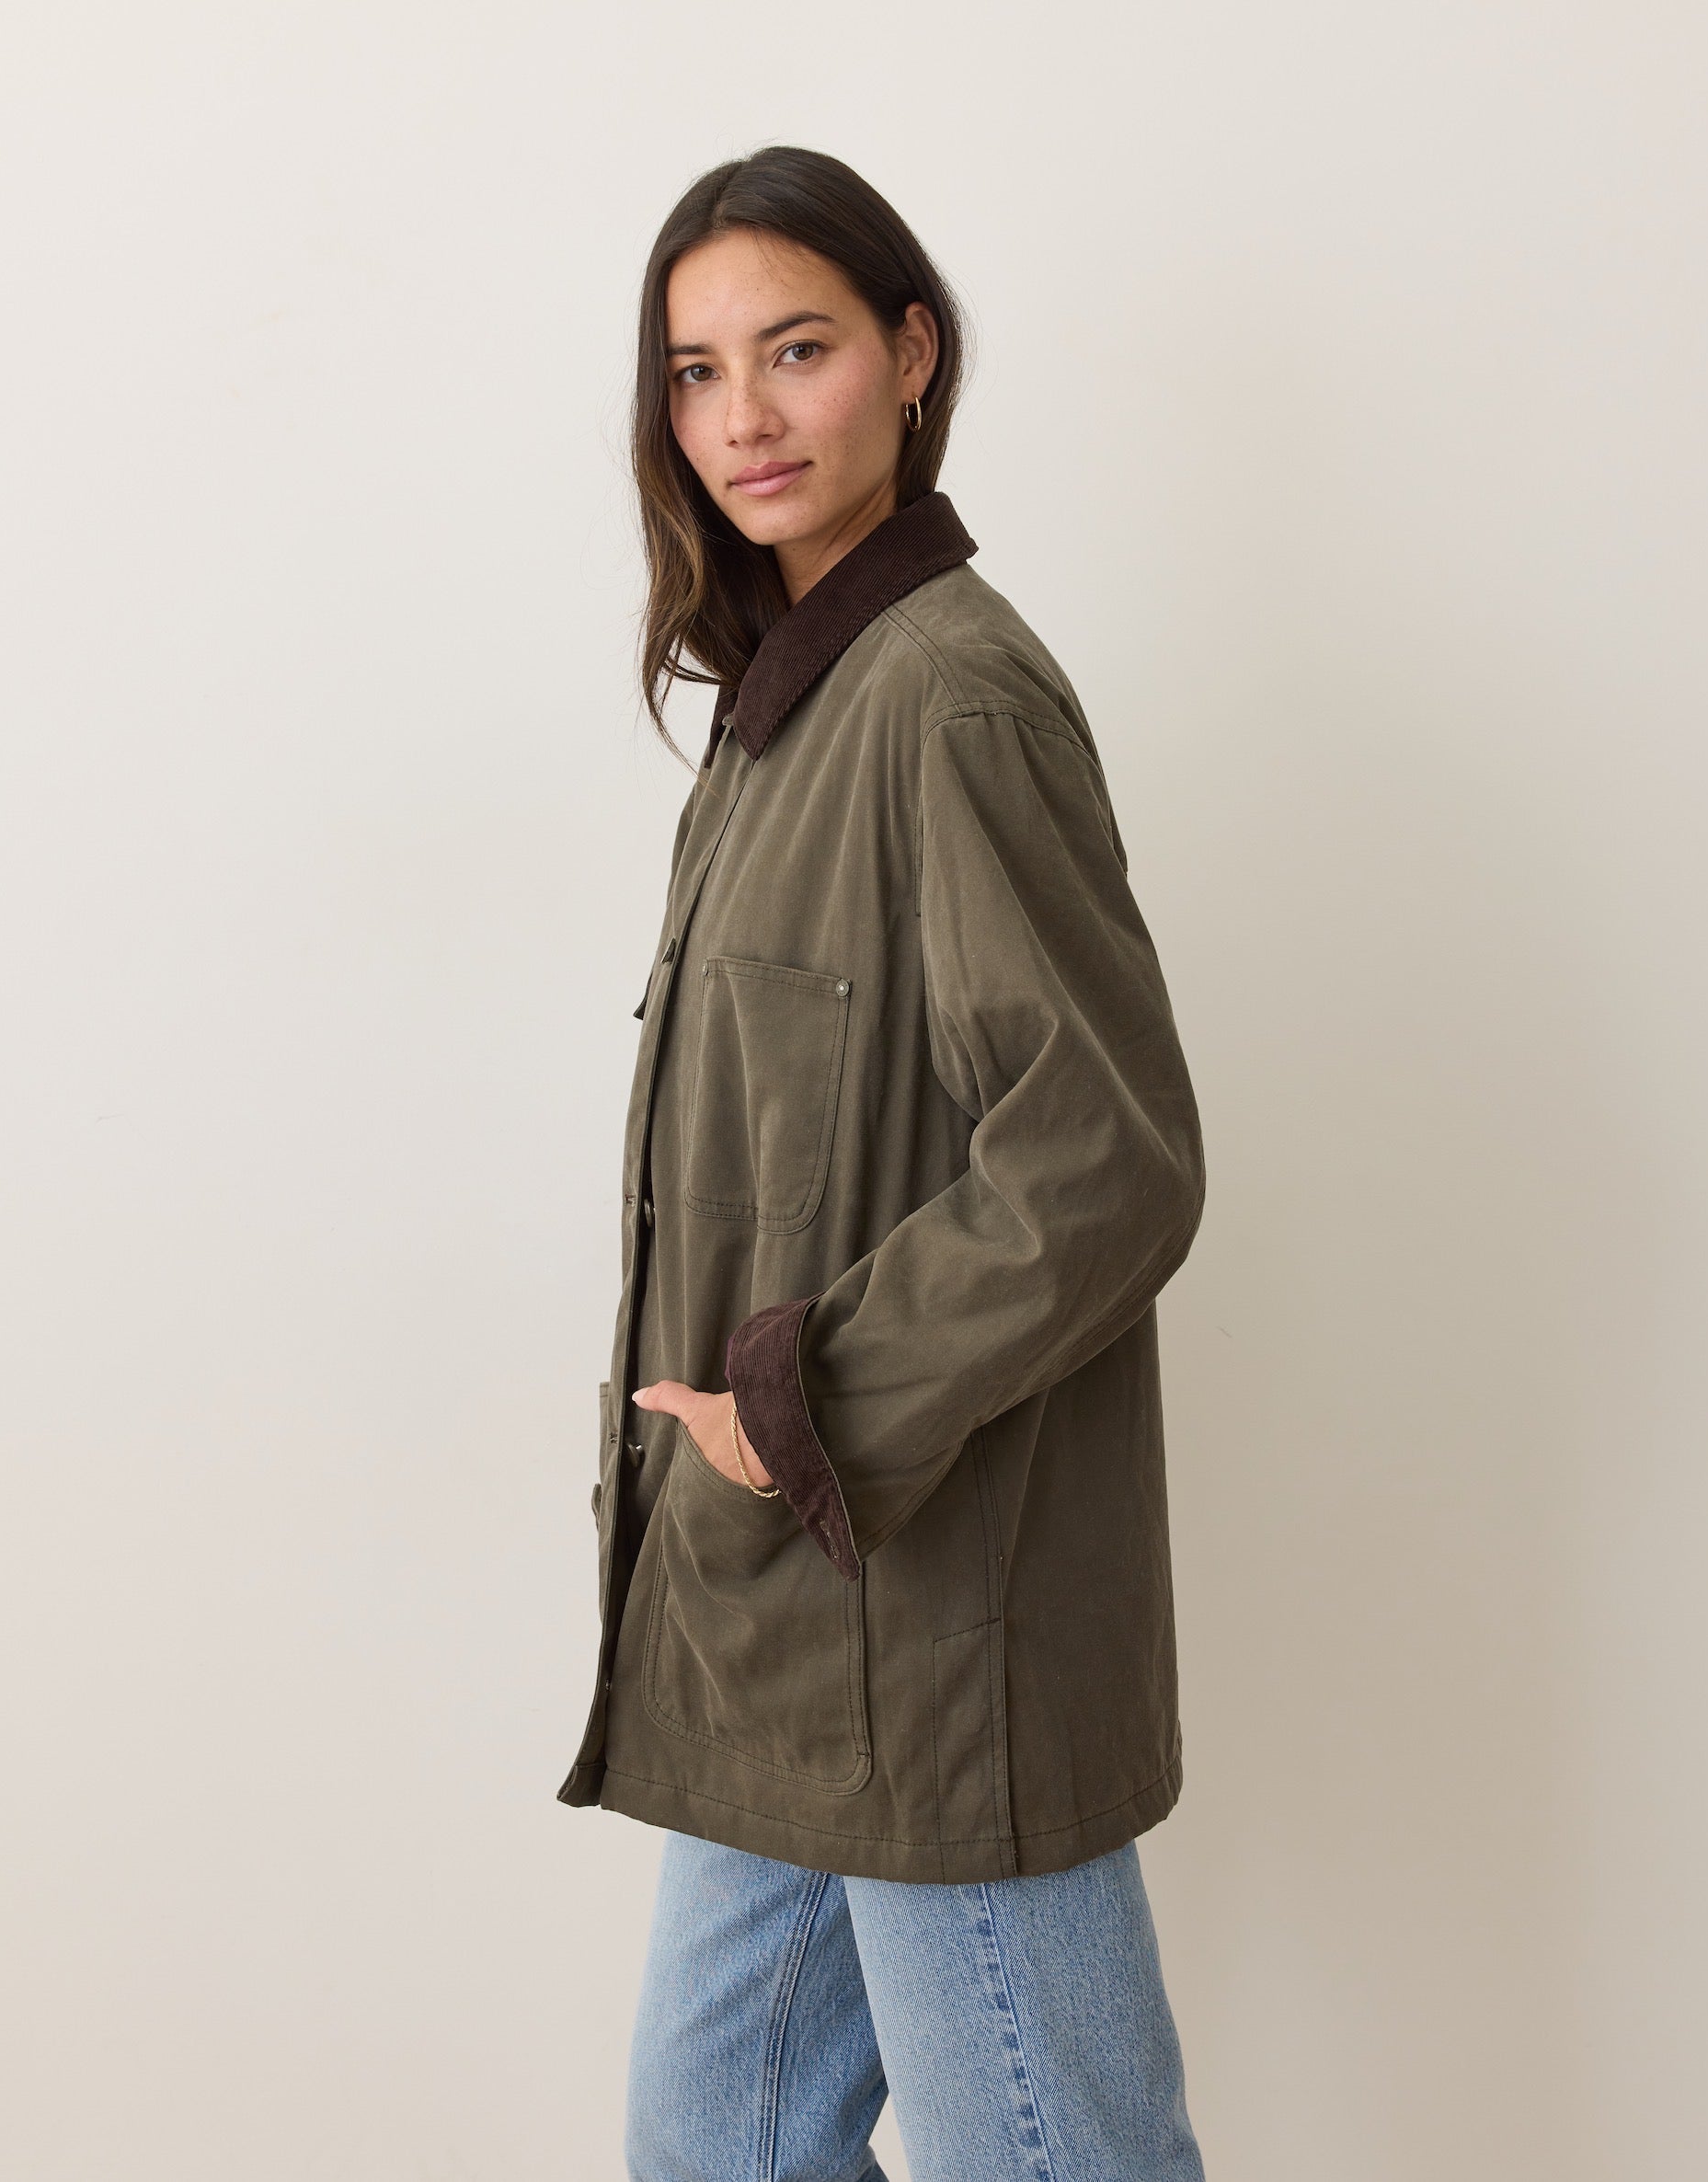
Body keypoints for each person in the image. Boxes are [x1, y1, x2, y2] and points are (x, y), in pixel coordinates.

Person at [557, 144, 1210, 2182]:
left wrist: (797, 1405)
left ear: (912, 356)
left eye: (799, 349)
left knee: (1051, 2156)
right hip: (775, 1610)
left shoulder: (945, 692)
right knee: (717, 2142)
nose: (741, 416)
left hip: (933, 1625)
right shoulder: (783, 712)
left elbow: (1106, 1155)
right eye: (695, 370)